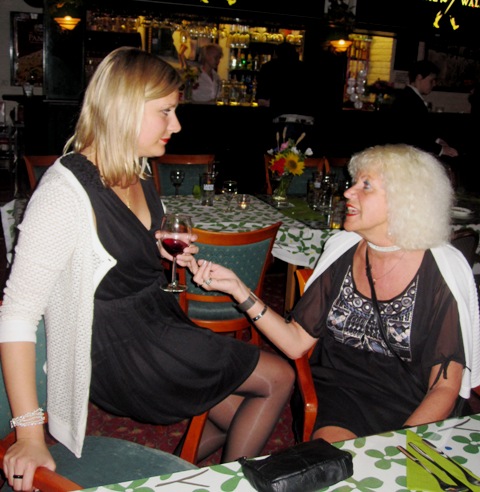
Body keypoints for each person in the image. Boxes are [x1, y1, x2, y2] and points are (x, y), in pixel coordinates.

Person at [0, 46, 295, 490]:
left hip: (156, 319)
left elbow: (112, 242)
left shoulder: (136, 170)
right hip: (120, 349)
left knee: (238, 415)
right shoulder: (62, 192)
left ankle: (178, 476)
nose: (176, 126)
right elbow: (17, 313)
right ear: (123, 109)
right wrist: (28, 432)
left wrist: (157, 249)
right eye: (166, 112)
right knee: (278, 378)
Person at [193, 143, 480, 443]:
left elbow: (444, 387)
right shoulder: (342, 250)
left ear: (404, 200)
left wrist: (402, 446)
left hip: (416, 398)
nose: (348, 192)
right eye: (354, 182)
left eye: (365, 185)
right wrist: (239, 289)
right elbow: (295, 342)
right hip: (342, 393)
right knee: (338, 464)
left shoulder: (442, 268)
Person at [390, 60, 459, 158]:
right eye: (431, 80)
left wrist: (437, 140)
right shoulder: (409, 100)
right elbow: (412, 137)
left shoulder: (410, 97)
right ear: (419, 77)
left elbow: (420, 130)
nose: (434, 84)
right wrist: (441, 149)